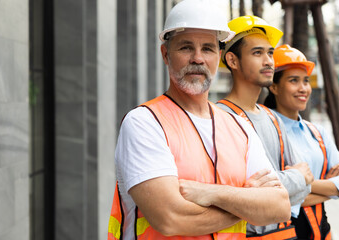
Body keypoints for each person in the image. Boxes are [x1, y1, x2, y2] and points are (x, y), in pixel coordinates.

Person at [107, 1, 291, 240]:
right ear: (166, 54)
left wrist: (211, 193)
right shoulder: (145, 123)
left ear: (219, 56)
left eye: (207, 48)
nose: (197, 58)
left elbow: (279, 207)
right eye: (185, 48)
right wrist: (246, 205)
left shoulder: (239, 127)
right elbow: (171, 218)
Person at [217, 15, 314, 239]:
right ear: (232, 61)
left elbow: (306, 183)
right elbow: (238, 194)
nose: (269, 61)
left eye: (270, 53)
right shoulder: (221, 118)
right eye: (257, 53)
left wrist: (288, 184)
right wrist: (295, 179)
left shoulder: (273, 118)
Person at [263, 44, 339, 240]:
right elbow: (271, 194)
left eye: (306, 81)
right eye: (293, 80)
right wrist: (331, 189)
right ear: (273, 86)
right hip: (282, 234)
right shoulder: (264, 131)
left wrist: (302, 185)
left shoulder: (316, 132)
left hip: (321, 232)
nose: (303, 88)